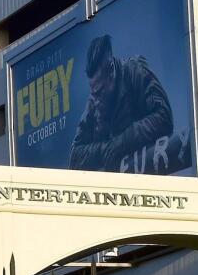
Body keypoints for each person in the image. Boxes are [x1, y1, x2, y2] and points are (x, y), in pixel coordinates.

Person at [68, 34, 185, 174]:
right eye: (93, 92)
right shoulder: (94, 98)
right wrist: (104, 149)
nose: (96, 99)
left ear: (111, 70)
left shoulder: (135, 71)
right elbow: (75, 158)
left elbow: (163, 117)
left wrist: (121, 143)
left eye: (100, 91)